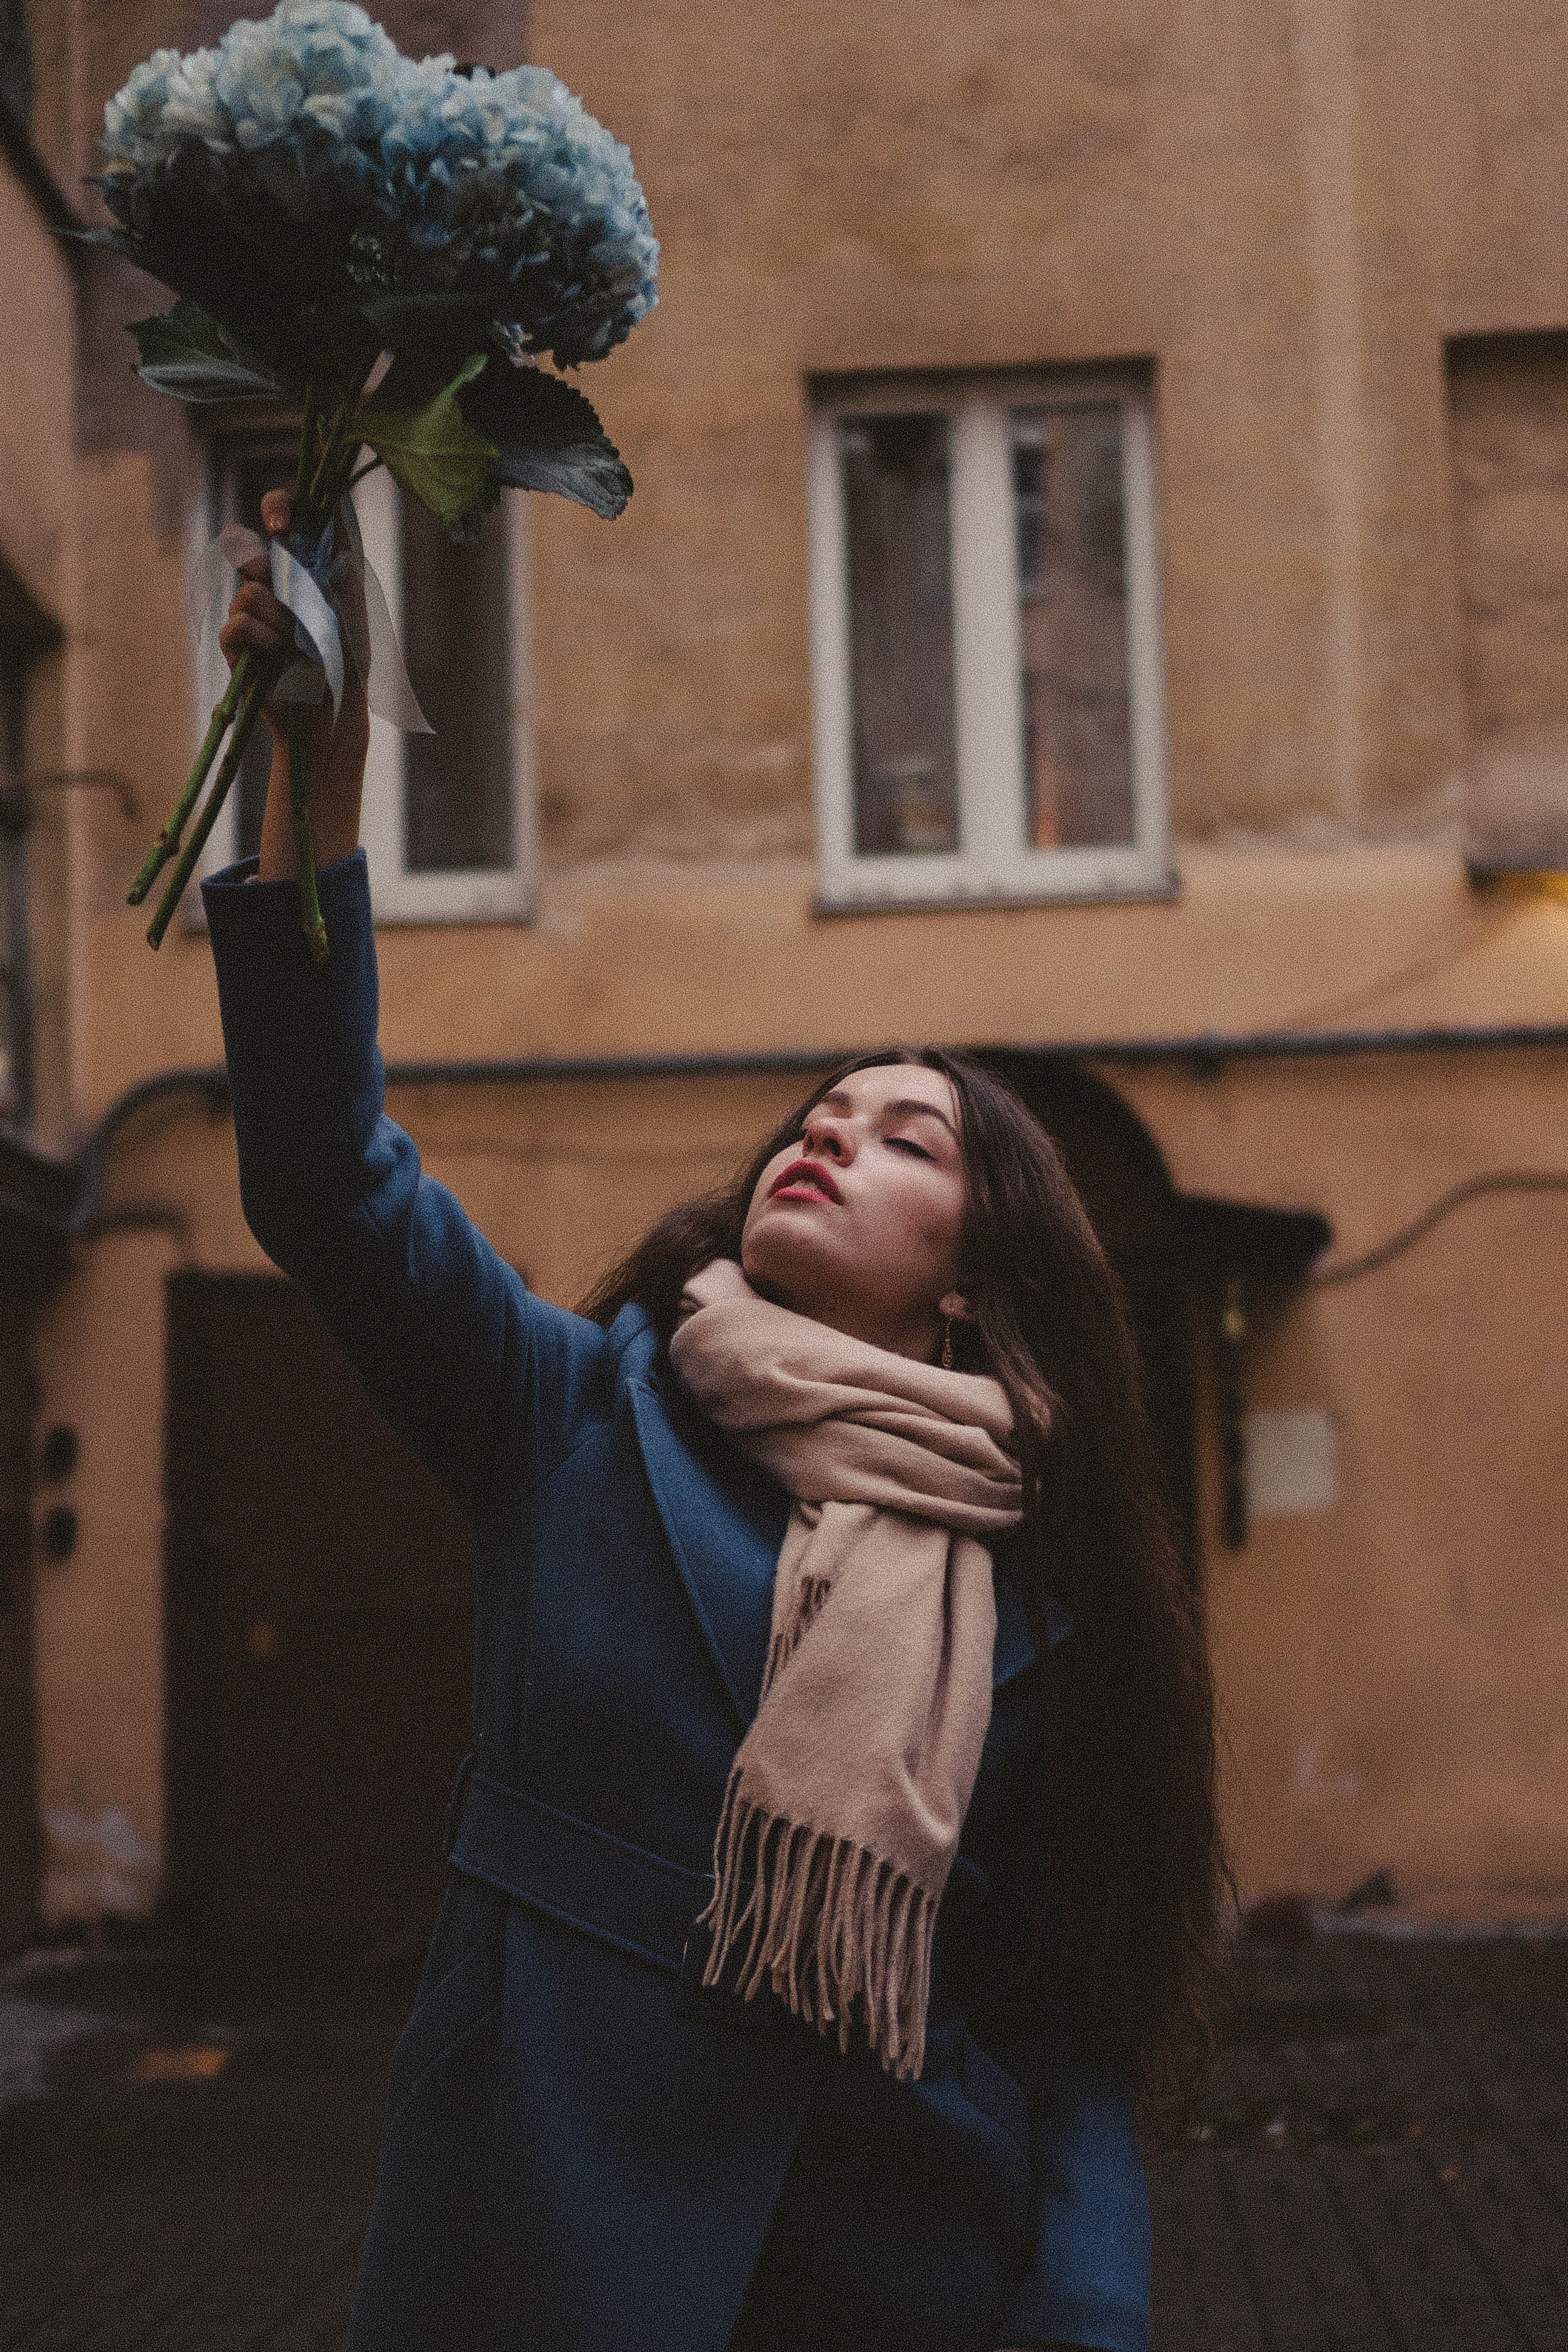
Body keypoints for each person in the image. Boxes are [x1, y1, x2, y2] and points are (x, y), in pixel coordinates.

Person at [206, 488, 1224, 2352]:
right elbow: (329, 1184)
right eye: (823, 1113)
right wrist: (320, 775)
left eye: (906, 1135)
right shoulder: (574, 1412)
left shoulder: (1044, 1590)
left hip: (908, 2270)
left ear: (973, 1286)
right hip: (543, 2244)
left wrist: (1083, 2315)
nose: (834, 1131)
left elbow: (1068, 2032)